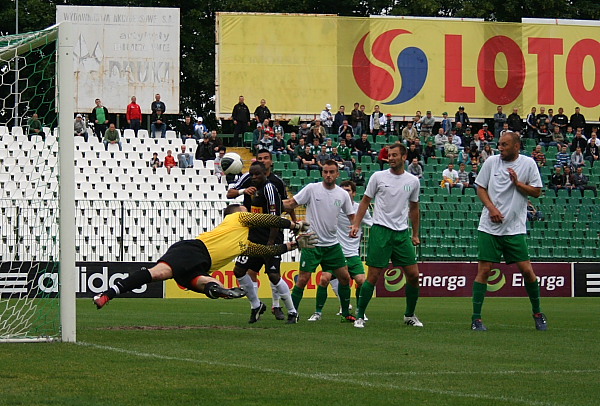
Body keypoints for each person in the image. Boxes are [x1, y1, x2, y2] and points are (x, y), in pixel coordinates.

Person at [93, 204, 316, 309]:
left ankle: (219, 290)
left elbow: (266, 252)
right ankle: (108, 294)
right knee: (158, 274)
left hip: (201, 266)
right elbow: (268, 220)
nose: (246, 211)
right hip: (193, 251)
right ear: (236, 213)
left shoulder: (245, 244)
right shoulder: (236, 219)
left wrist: (294, 244)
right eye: (243, 208)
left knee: (210, 285)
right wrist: (294, 224)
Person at [471, 131, 546, 331]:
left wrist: (518, 184)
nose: (500, 148)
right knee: (484, 271)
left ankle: (538, 313)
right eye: (499, 144)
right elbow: (480, 187)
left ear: (516, 146)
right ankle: (476, 319)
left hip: (514, 228)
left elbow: (537, 192)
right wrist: (492, 209)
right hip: (489, 226)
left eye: (504, 145)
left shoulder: (528, 164)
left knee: (527, 272)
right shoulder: (491, 162)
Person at [350, 143, 422, 329]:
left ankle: (409, 315)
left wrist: (415, 233)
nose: (390, 158)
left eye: (394, 155)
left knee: (414, 276)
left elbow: (414, 208)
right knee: (373, 277)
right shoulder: (378, 177)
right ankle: (360, 315)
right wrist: (356, 224)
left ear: (404, 157)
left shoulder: (413, 181)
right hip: (380, 231)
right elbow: (365, 201)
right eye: (389, 155)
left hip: (401, 233)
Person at [226, 149, 297, 317]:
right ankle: (256, 305)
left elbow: (280, 211)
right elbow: (230, 194)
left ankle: (289, 310)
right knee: (240, 270)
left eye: (257, 174)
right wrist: (244, 191)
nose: (254, 177)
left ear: (268, 167)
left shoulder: (272, 187)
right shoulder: (248, 179)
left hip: (270, 235)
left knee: (273, 275)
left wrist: (273, 241)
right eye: (252, 174)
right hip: (252, 235)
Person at [284, 161, 357, 322]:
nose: (328, 175)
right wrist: (270, 204)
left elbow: (352, 216)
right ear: (322, 173)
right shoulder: (312, 188)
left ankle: (346, 313)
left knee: (345, 278)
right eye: (325, 172)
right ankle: (292, 313)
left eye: (332, 172)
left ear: (338, 174)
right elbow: (291, 204)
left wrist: (355, 226)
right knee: (303, 279)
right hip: (311, 240)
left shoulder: (342, 194)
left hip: (332, 243)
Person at [323, 181, 372, 317]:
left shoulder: (360, 210)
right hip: (336, 252)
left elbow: (372, 224)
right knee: (325, 278)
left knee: (361, 281)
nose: (346, 193)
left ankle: (359, 310)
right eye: (343, 190)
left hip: (353, 253)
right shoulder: (335, 207)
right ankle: (319, 312)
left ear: (354, 193)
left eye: (348, 190)